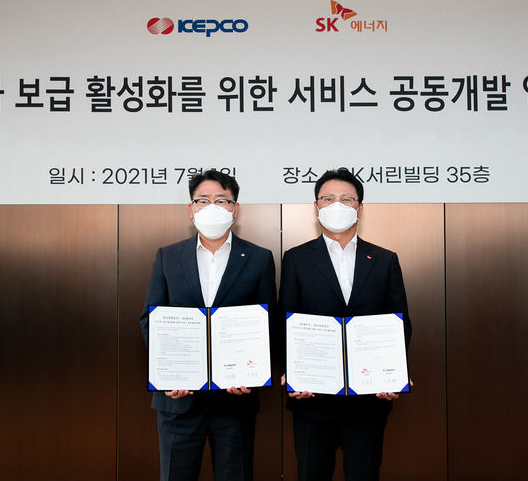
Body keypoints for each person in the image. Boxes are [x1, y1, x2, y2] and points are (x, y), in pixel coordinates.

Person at [140, 169, 277, 481]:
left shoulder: (258, 258)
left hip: (234, 402)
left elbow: (266, 324)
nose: (211, 207)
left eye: (221, 200)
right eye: (203, 200)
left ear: (235, 209)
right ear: (191, 209)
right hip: (178, 401)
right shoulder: (168, 256)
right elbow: (150, 319)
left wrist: (252, 372)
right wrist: (167, 373)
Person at [279, 168, 412, 481]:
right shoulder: (296, 258)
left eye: (346, 199)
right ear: (316, 207)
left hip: (368, 401)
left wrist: (394, 374)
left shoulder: (384, 260)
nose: (336, 205)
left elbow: (400, 323)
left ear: (359, 208)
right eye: (327, 199)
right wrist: (291, 373)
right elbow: (286, 321)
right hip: (312, 399)